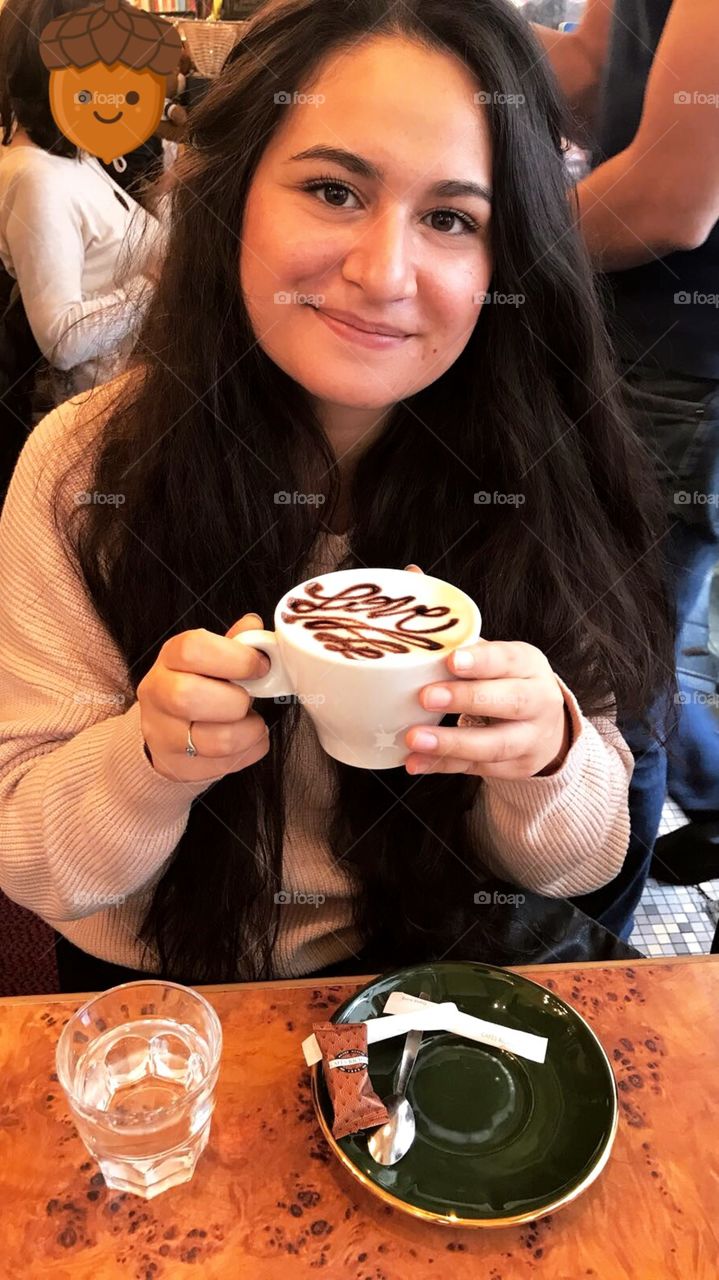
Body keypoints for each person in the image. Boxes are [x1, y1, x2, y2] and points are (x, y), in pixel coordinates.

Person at [0, 0, 674, 990]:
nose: (381, 272)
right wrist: (150, 757)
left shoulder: (538, 466)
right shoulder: (84, 473)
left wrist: (545, 756)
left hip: (426, 975)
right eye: (331, 189)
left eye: (449, 218)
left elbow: (580, 857)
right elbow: (35, 861)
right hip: (167, 990)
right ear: (229, 196)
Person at [533, 0, 719, 921]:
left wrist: (479, 235)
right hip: (645, 356)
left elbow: (671, 197)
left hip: (685, 372)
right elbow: (590, 65)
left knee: (609, 682)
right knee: (643, 645)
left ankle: (590, 948)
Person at [0, 0, 164, 412]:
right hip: (109, 412)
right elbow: (62, 340)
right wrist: (157, 282)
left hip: (142, 388)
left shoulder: (75, 154)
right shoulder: (38, 177)